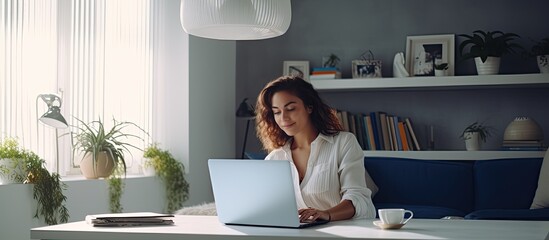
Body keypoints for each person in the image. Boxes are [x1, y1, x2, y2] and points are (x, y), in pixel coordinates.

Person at [255, 76, 376, 223]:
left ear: (309, 107)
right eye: (277, 112)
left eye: (291, 109)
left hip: (340, 231)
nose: (283, 118)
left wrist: (325, 214)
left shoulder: (343, 143)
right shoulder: (275, 158)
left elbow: (360, 201)